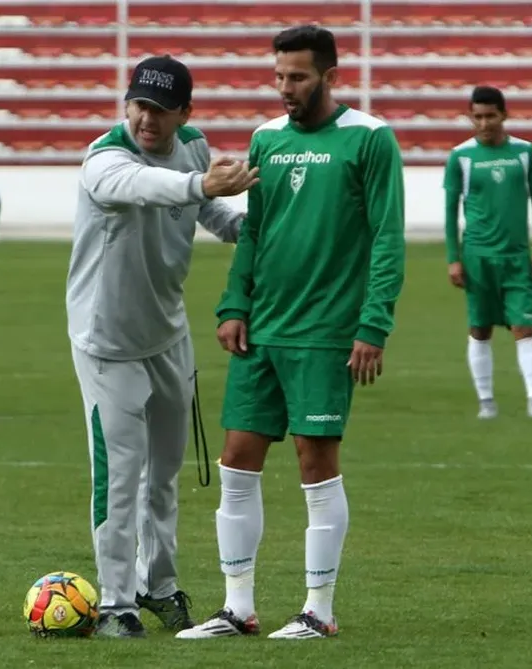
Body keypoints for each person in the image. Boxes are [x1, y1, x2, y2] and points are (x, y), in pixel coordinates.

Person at [176, 25, 406, 641]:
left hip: (327, 333)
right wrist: (233, 304)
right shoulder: (266, 140)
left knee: (315, 461)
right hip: (263, 330)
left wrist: (373, 325)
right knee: (236, 463)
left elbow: (387, 237)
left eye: (297, 77)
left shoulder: (370, 138)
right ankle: (237, 607)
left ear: (330, 77)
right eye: (278, 76)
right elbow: (255, 228)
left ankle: (319, 610)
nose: (285, 88)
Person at [66, 54, 260, 639]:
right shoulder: (105, 158)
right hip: (107, 341)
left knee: (166, 474)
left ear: (184, 113)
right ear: (127, 104)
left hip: (168, 333)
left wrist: (249, 227)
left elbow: (207, 211)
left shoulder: (193, 147)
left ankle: (160, 585)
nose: (148, 118)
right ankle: (117, 606)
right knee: (120, 476)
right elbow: (142, 186)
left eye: (162, 109)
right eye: (140, 105)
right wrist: (200, 183)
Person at [444, 86, 532, 420]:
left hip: (518, 257)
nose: (484, 123)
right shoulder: (460, 156)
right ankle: (486, 403)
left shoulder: (525, 153)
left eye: (490, 116)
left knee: (525, 328)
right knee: (480, 330)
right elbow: (450, 213)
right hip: (477, 258)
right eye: (477, 116)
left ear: (504, 115)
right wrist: (453, 258)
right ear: (470, 117)